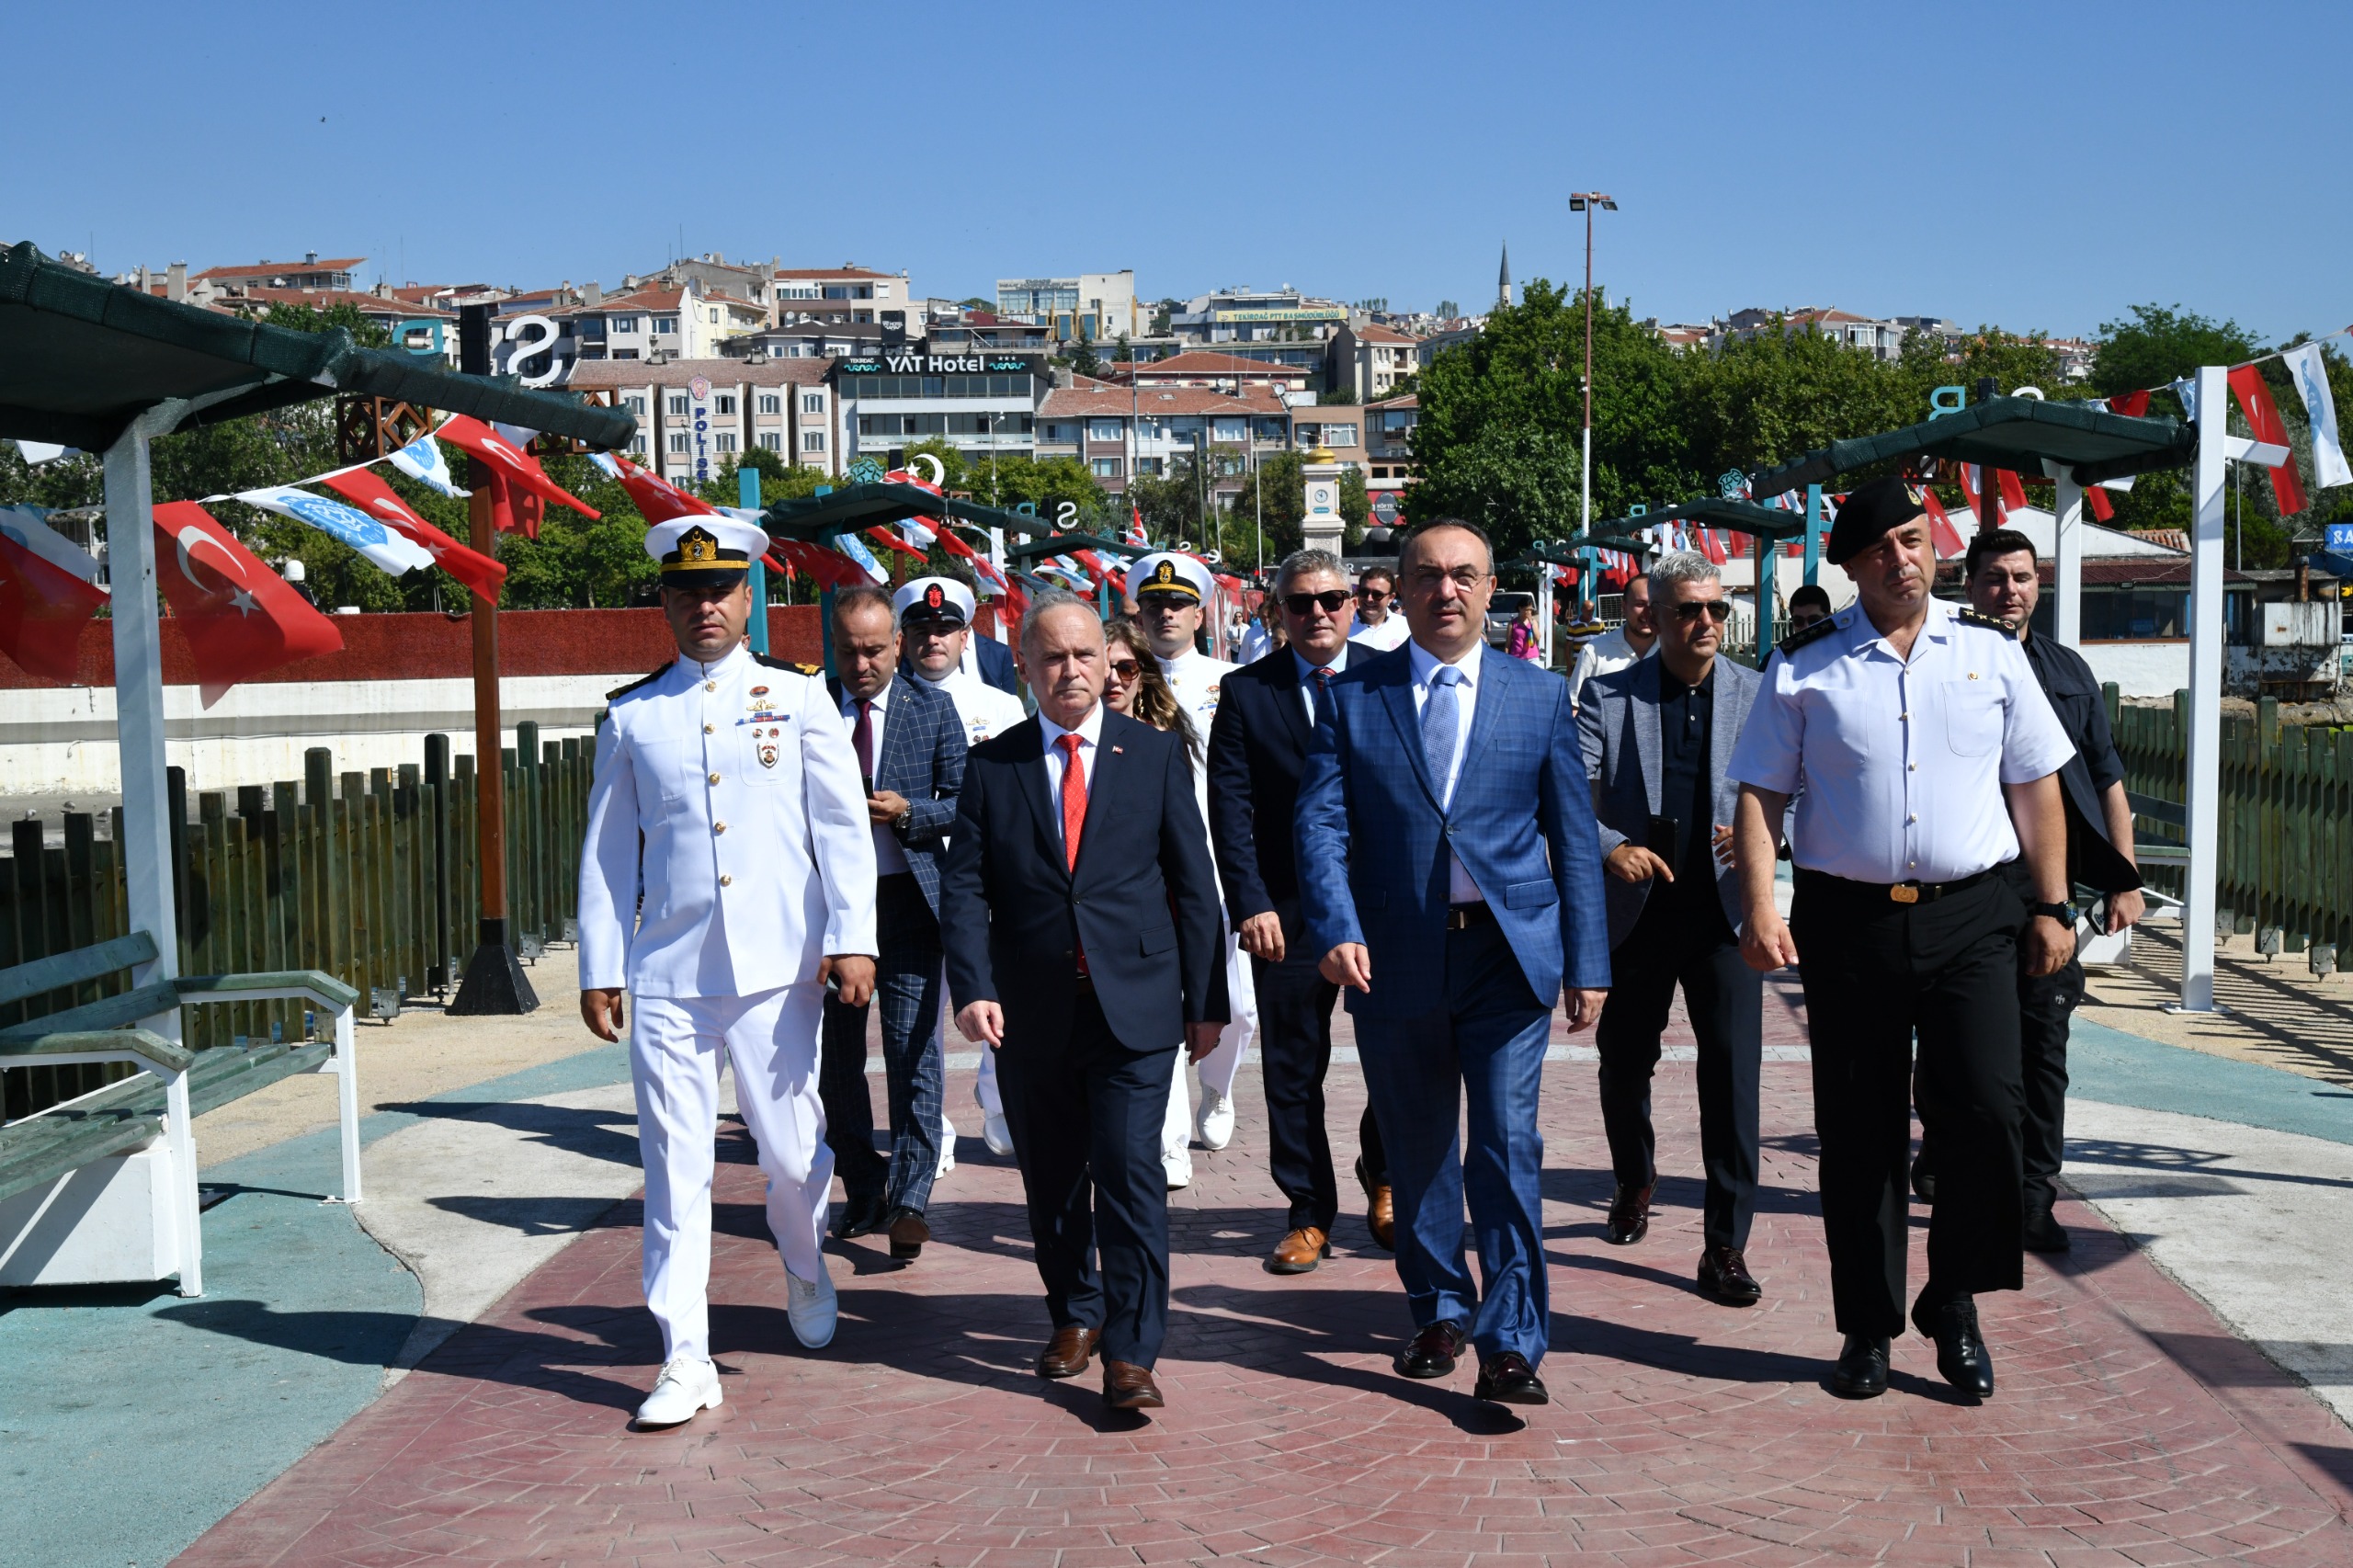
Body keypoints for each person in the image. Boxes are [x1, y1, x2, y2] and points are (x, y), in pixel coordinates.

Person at [1728, 476, 2077, 1403]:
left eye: (1913, 539)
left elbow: (2036, 784)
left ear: (1935, 548)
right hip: (1848, 920)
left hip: (1972, 915)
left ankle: (1953, 1297)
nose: (1900, 558)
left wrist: (2053, 905)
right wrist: (1762, 905)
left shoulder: (1991, 655)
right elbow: (1760, 794)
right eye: (1879, 546)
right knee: (1859, 1129)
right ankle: (1866, 1324)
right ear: (1849, 566)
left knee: (1990, 1113)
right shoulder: (1804, 666)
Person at [1297, 518, 1611, 1406]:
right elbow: (1320, 822)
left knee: (1508, 1146)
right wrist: (1336, 922)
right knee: (1420, 1144)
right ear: (1399, 587)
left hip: (1505, 958)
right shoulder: (1356, 694)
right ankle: (1438, 1307)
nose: (1447, 591)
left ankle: (1512, 1340)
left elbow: (1574, 840)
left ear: (1489, 586)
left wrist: (1590, 960)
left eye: (1465, 574)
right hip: (1392, 957)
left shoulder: (1539, 695)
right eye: (1429, 575)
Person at [577, 517, 878, 1428]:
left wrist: (853, 934)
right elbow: (605, 853)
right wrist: (601, 961)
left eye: (719, 590)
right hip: (669, 971)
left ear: (748, 597)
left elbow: (839, 828)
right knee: (673, 1167)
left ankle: (803, 1254)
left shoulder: (796, 697)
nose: (703, 606)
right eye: (685, 592)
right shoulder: (634, 713)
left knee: (791, 1154)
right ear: (664, 602)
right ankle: (683, 1354)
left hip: (775, 967)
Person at [939, 591, 1225, 1412]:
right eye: (1053, 657)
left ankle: (1133, 1353)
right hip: (1031, 1012)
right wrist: (974, 989)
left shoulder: (1155, 753)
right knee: (1054, 1179)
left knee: (1133, 1176)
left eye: (1085, 656)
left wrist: (1205, 1001)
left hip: (1135, 1008)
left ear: (1109, 664)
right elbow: (965, 890)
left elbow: (1192, 885)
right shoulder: (992, 766)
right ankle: (1075, 1311)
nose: (1070, 671)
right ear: (1025, 667)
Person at [1915, 528, 2143, 1251]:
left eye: (2020, 578)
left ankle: (2033, 1195)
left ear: (2036, 585)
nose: (2008, 591)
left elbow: (2107, 779)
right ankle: (1947, 1154)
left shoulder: (2068, 672)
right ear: (1968, 584)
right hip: (1961, 889)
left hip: (2044, 889)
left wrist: (2123, 878)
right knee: (1953, 1045)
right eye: (1993, 578)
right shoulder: (1939, 662)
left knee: (2044, 1045)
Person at [1577, 551, 1766, 1305]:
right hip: (1636, 916)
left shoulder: (1759, 694)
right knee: (1624, 1064)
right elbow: (1564, 789)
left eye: (1717, 609)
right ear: (1653, 614)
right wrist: (1610, 847)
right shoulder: (1608, 696)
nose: (1706, 623)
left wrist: (1765, 839)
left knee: (1732, 1078)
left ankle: (1725, 1244)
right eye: (1688, 609)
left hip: (1724, 914)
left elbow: (1805, 786)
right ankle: (1634, 1180)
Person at [1207, 549, 1392, 1275]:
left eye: (1332, 599)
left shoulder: (1386, 681)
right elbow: (1232, 806)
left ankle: (1385, 1179)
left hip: (1378, 905)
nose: (1317, 612)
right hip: (1285, 911)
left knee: (1395, 1055)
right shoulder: (1247, 692)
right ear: (1277, 612)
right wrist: (1250, 901)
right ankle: (1308, 1212)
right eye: (1300, 602)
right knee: (1292, 1067)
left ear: (1353, 605)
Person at [817, 584, 969, 1261]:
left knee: (913, 1051)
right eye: (849, 651)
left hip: (908, 900)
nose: (862, 664)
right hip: (826, 912)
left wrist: (911, 812)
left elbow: (968, 804)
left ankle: (911, 1197)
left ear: (898, 645)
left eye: (875, 650)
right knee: (836, 1062)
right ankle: (864, 1186)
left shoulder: (931, 710)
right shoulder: (806, 710)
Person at [1130, 551, 1258, 1187]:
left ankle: (1217, 1086)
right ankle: (1169, 1134)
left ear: (1201, 610)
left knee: (1237, 1008)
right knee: (1158, 1002)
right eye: (1154, 604)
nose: (1165, 614)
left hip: (1217, 865)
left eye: (1177, 603)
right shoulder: (1119, 676)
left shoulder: (1229, 680)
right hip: (1146, 873)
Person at [896, 574, 1030, 1159]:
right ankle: (935, 1131)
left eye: (945, 628)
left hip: (985, 881)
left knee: (995, 997)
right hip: (916, 881)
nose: (933, 640)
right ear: (903, 637)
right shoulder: (889, 707)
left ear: (965, 635)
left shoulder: (999, 708)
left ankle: (999, 1103)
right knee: (921, 1016)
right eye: (921, 630)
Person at [1567, 572, 1657, 705]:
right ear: (1624, 607)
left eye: (1654, 605)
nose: (1648, 612)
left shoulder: (1674, 652)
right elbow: (1574, 706)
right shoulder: (1593, 652)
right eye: (1640, 604)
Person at [1349, 565, 1409, 652]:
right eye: (1364, 592)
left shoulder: (1406, 628)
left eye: (1377, 594)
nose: (1369, 599)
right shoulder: (1343, 626)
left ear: (1391, 598)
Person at [1237, 591, 1283, 664]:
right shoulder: (1250, 633)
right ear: (1259, 615)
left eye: (1269, 617)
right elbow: (1243, 658)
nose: (1267, 620)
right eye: (1263, 617)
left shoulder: (1281, 634)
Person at [1505, 599, 1543, 663]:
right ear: (1520, 608)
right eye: (1527, 610)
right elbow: (1508, 644)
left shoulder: (1533, 622)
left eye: (1530, 610)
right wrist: (1506, 658)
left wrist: (1531, 622)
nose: (1529, 612)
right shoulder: (1512, 623)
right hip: (1516, 657)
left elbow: (1538, 637)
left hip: (1532, 657)